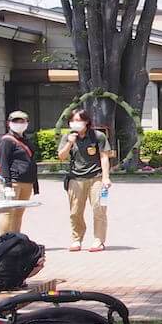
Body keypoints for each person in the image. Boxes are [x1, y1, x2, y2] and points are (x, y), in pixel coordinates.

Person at [57, 108, 113, 252]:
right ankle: (77, 239)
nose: (75, 123)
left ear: (86, 121)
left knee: (99, 209)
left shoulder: (98, 136)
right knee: (75, 212)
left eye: (78, 120)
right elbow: (61, 156)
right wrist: (69, 143)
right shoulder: (67, 137)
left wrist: (106, 177)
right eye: (72, 121)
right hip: (76, 178)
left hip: (96, 178)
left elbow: (104, 157)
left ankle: (98, 240)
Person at [0, 111, 39, 235]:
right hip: (13, 182)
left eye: (22, 121)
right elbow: (4, 163)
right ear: (9, 123)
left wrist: (35, 186)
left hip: (27, 182)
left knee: (18, 214)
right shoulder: (7, 141)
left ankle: (15, 240)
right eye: (15, 121)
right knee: (8, 213)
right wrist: (7, 185)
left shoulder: (26, 140)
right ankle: (3, 240)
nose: (19, 124)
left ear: (27, 123)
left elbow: (31, 162)